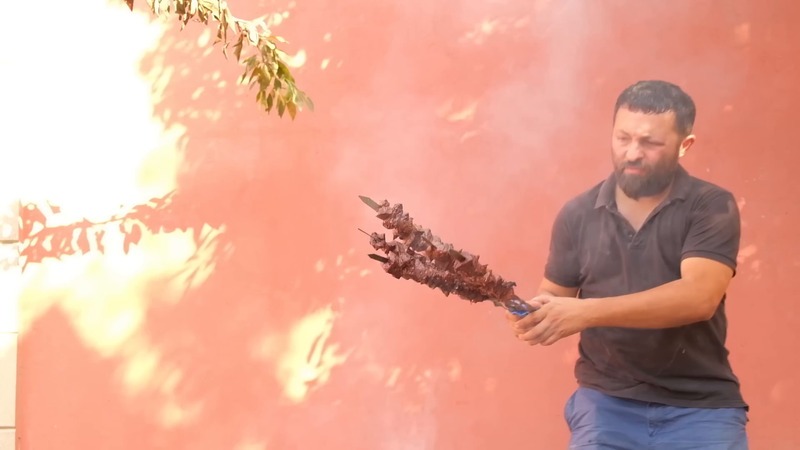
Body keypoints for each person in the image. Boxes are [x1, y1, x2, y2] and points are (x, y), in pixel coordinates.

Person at [507, 80, 748, 449]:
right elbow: (554, 296)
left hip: (700, 408)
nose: (632, 153)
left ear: (684, 145)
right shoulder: (577, 214)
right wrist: (533, 315)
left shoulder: (711, 205)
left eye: (650, 143)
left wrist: (586, 312)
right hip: (605, 405)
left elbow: (699, 297)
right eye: (623, 138)